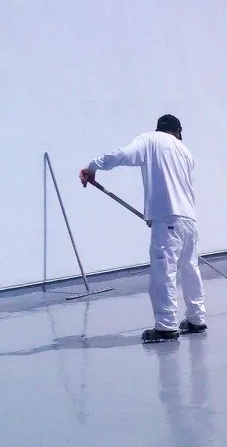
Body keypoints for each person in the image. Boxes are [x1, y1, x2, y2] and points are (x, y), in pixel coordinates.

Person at [79, 114, 207, 343]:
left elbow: (122, 155)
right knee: (190, 268)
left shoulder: (150, 140)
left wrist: (93, 166)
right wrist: (156, 215)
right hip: (189, 219)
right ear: (177, 131)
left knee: (164, 272)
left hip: (167, 220)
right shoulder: (185, 151)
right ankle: (197, 320)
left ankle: (166, 327)